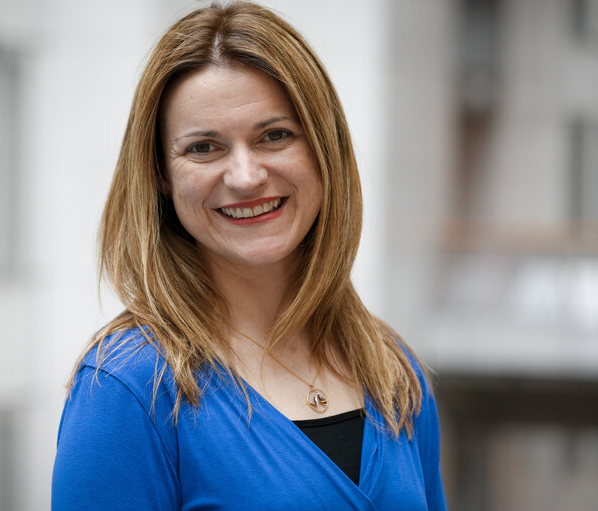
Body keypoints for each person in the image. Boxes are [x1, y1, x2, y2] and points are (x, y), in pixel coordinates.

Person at [52, 2, 447, 510]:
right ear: (160, 177)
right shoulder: (126, 391)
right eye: (203, 148)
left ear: (325, 151)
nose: (244, 176)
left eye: (274, 136)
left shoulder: (394, 372)